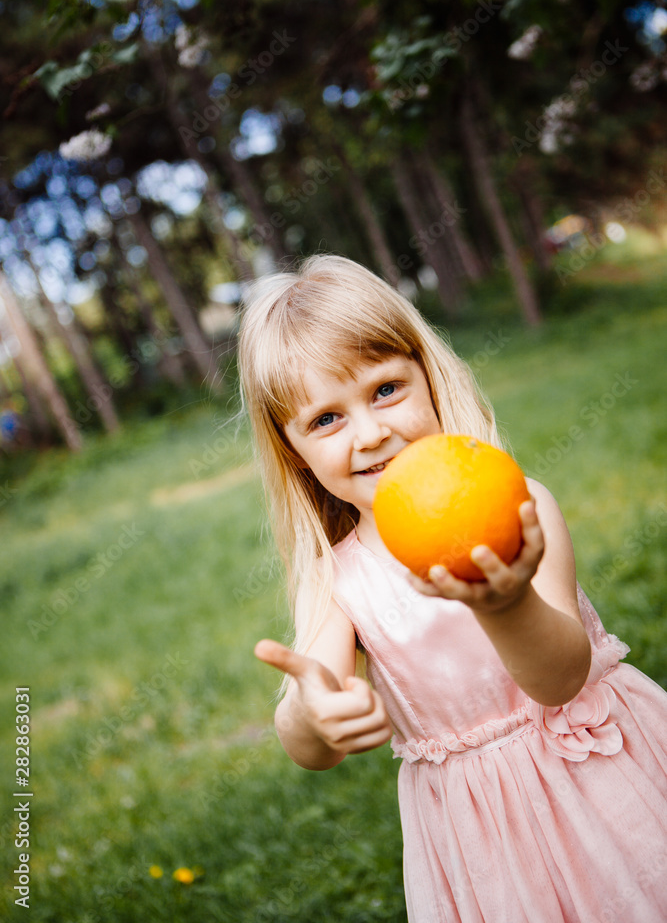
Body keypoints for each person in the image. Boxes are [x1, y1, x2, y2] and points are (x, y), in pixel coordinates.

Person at [239, 254, 667, 922]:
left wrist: (505, 605)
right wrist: (309, 715)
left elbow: (559, 680)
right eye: (325, 419)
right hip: (485, 838)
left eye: (386, 389)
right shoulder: (335, 577)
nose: (371, 433)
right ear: (294, 450)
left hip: (603, 780)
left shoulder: (518, 505)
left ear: (429, 378)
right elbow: (312, 738)